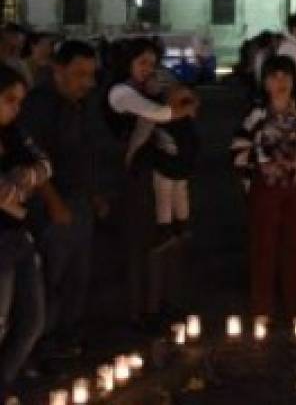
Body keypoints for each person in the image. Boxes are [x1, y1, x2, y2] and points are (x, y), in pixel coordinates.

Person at [231, 55, 296, 320]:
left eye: (286, 76)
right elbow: (238, 150)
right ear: (264, 82)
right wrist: (266, 161)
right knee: (263, 247)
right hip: (266, 189)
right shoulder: (257, 114)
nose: (281, 82)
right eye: (274, 76)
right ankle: (262, 308)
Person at [107, 39, 197, 330]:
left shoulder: (148, 89)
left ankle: (160, 303)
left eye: (151, 63)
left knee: (163, 241)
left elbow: (183, 105)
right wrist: (182, 104)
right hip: (135, 177)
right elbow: (161, 113)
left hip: (155, 171)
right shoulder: (121, 92)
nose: (148, 69)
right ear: (127, 63)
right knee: (141, 244)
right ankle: (141, 310)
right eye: (141, 62)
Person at [20, 41, 102, 357]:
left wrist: (94, 194)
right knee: (50, 277)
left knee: (78, 275)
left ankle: (68, 335)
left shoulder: (79, 103)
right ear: (58, 69)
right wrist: (54, 203)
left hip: (78, 200)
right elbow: (32, 160)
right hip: (51, 205)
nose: (87, 82)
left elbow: (85, 153)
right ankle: (40, 345)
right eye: (79, 74)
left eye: (91, 75)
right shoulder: (40, 105)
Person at [0, 64, 52, 392]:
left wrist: (26, 180)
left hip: (20, 236)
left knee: (32, 320)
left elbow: (45, 164)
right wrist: (20, 191)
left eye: (20, 101)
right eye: (9, 100)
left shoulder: (14, 132)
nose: (17, 108)